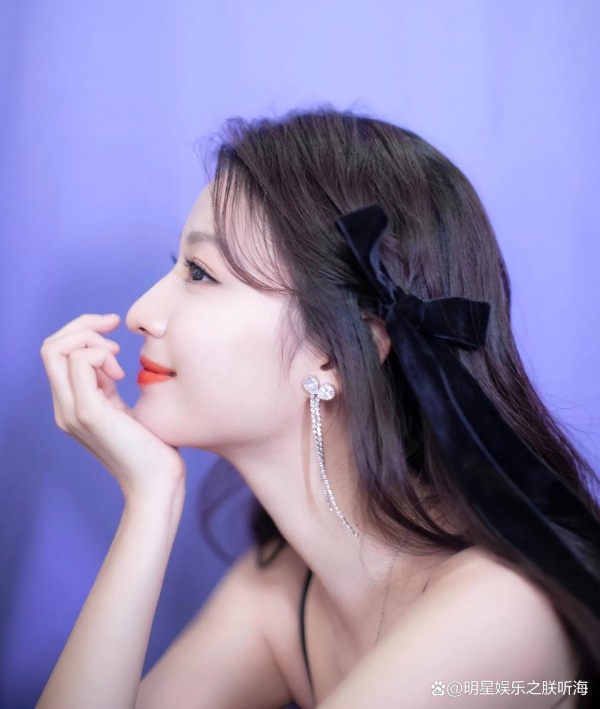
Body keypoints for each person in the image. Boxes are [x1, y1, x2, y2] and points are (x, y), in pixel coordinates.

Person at [38, 106, 599, 709]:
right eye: (175, 267)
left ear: (333, 355)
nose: (141, 312)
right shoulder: (282, 590)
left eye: (200, 273)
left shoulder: (500, 611)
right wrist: (150, 499)